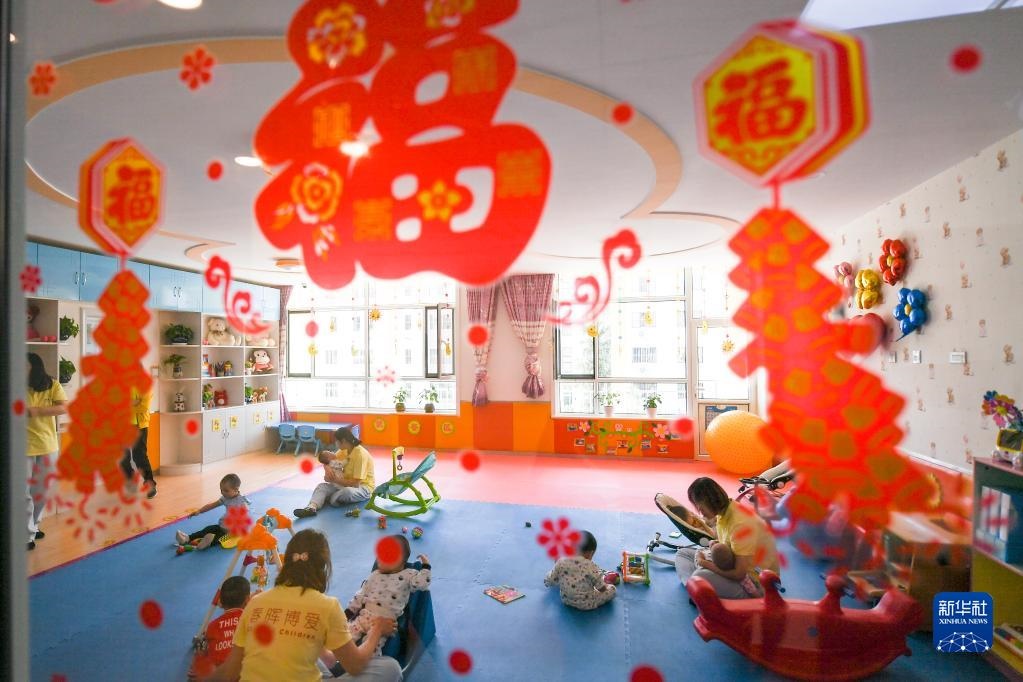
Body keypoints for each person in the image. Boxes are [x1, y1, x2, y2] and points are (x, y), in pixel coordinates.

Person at [205, 529, 402, 682]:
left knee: (300, 650)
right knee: (390, 668)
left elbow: (230, 671)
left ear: (287, 561)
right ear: (323, 567)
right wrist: (377, 629)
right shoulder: (327, 606)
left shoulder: (255, 602)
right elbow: (356, 666)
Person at [661, 477, 780, 599]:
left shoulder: (740, 523)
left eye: (701, 508)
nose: (700, 512)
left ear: (711, 502)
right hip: (735, 564)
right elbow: (729, 545)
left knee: (701, 575)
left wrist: (705, 564)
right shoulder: (725, 512)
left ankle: (697, 587)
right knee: (683, 554)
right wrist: (714, 545)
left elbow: (739, 574)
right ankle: (696, 588)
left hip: (757, 584)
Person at [345, 535, 431, 655]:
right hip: (363, 617)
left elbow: (422, 584)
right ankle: (337, 658)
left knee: (372, 650)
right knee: (345, 636)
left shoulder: (409, 575)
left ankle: (365, 662)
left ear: (400, 560)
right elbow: (360, 595)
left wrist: (426, 566)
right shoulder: (375, 575)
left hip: (384, 624)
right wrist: (348, 612)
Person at [25, 352, 67, 551]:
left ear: (36, 367)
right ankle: (27, 534)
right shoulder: (15, 386)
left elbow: (63, 408)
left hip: (48, 444)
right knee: (24, 493)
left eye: (26, 366)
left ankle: (34, 525)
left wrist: (36, 411)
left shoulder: (52, 384)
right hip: (23, 446)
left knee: (41, 490)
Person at [294, 427, 375, 518]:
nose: (335, 443)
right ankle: (311, 508)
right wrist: (327, 469)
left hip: (362, 488)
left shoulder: (360, 455)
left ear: (343, 441)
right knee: (321, 487)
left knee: (347, 492)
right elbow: (329, 460)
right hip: (344, 484)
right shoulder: (344, 450)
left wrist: (335, 480)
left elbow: (356, 484)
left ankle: (332, 499)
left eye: (336, 441)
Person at [189, 576, 251, 679]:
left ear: (220, 603)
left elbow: (200, 656)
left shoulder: (212, 626)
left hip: (216, 676)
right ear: (247, 600)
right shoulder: (250, 621)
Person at [543, 530, 616, 611]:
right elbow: (601, 589)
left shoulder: (561, 561)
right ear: (590, 553)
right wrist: (607, 585)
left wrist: (547, 581)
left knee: (558, 575)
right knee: (612, 589)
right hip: (587, 603)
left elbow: (551, 580)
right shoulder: (591, 566)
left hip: (566, 599)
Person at [176, 473, 251, 550]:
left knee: (220, 538)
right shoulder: (225, 498)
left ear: (236, 489)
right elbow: (211, 505)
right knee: (208, 529)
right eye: (221, 490)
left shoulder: (242, 501)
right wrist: (199, 511)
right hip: (222, 526)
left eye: (226, 490)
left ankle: (208, 542)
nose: (223, 492)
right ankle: (187, 538)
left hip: (231, 531)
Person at [120, 387, 157, 498]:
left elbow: (144, 407)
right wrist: (134, 403)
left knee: (140, 457)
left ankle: (150, 485)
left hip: (139, 426)